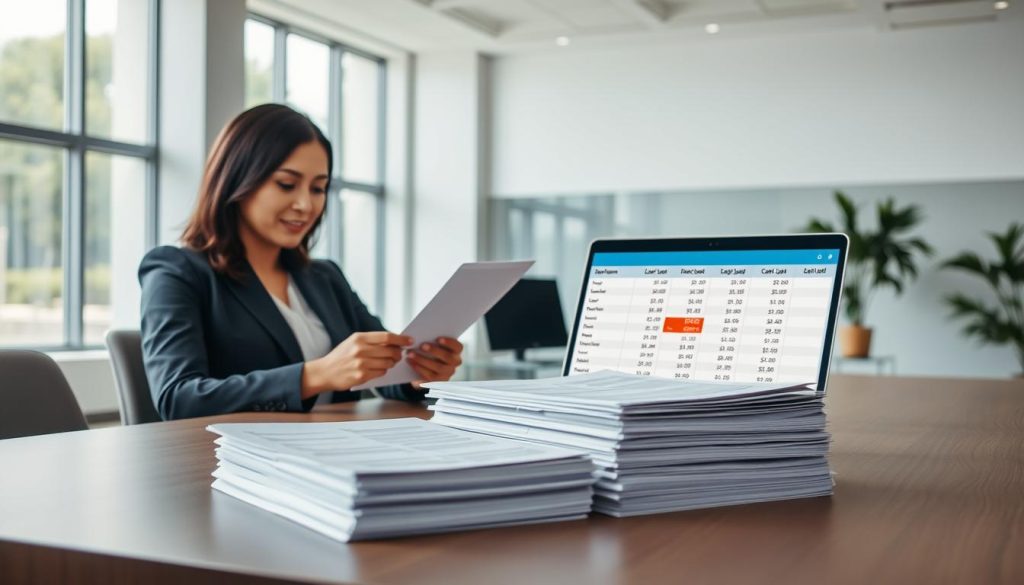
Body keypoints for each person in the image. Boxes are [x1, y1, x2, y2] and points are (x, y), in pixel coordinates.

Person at [139, 104, 463, 420]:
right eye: (286, 184)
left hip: (332, 454)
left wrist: (415, 374)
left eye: (319, 188)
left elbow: (381, 370)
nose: (305, 204)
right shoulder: (176, 272)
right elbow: (178, 398)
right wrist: (316, 375)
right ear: (237, 180)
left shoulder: (324, 277)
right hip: (232, 464)